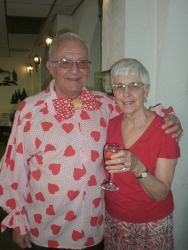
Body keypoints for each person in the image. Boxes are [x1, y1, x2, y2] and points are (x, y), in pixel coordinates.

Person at [0, 33, 182, 250]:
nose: (75, 70)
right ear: (51, 67)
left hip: (95, 230)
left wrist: (168, 118)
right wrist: (17, 220)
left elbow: (137, 112)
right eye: (65, 62)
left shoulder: (104, 104)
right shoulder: (30, 111)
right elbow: (14, 167)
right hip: (47, 230)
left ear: (89, 66)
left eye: (82, 63)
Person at [103, 58, 180, 249]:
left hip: (152, 224)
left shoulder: (165, 131)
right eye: (119, 86)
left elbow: (161, 193)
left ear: (147, 90)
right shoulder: (109, 125)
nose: (126, 93)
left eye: (134, 86)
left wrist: (137, 166)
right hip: (114, 221)